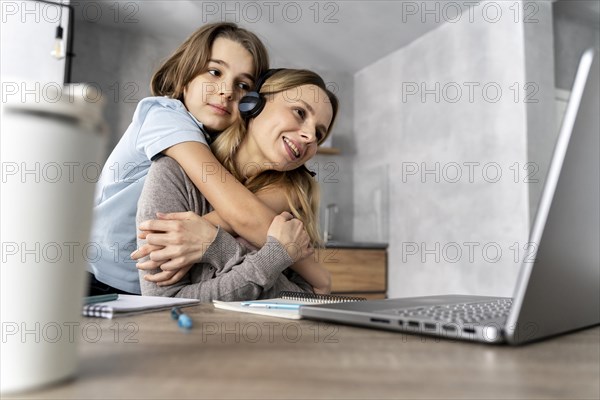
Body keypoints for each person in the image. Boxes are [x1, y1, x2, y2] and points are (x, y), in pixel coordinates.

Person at [88, 22, 282, 295]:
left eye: (242, 85)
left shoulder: (219, 145)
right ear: (185, 77)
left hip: (152, 289)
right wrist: (311, 268)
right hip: (97, 279)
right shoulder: (165, 116)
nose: (227, 91)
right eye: (215, 72)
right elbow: (247, 216)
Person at [135, 69, 338, 300]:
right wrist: (275, 256)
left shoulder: (295, 202)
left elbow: (302, 298)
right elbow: (165, 303)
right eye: (300, 112)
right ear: (253, 104)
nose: (311, 136)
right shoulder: (172, 173)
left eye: (319, 134)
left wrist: (216, 245)